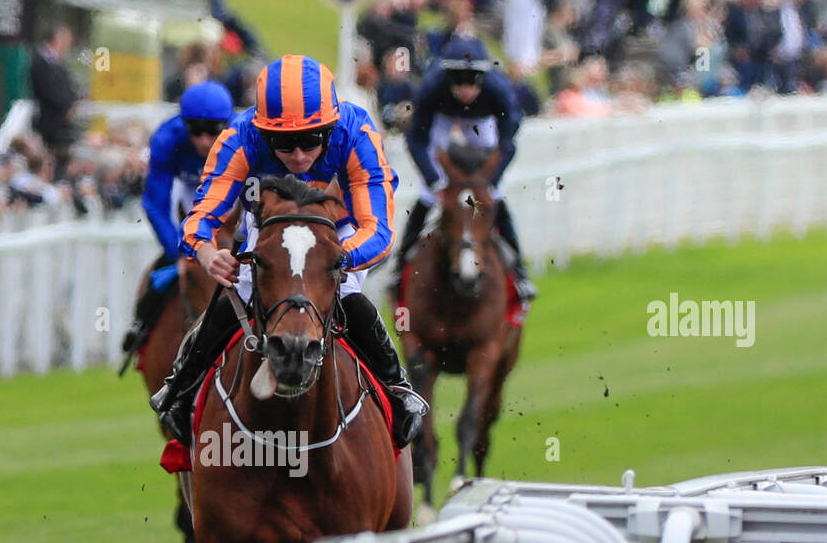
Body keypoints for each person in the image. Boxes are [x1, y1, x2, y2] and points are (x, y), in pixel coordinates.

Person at [150, 55, 428, 448]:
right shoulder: (240, 137)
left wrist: (332, 261)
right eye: (283, 143)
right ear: (264, 133)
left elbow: (378, 230)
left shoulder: (357, 133)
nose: (298, 155)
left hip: (337, 233)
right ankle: (180, 388)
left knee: (347, 294)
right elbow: (200, 219)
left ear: (330, 129)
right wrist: (209, 255)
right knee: (240, 290)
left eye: (311, 140)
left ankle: (398, 390)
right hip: (271, 230)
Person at [392, 36, 536, 302]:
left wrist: (492, 180)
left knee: (497, 197)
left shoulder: (498, 88)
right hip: (444, 124)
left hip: (483, 126)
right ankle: (400, 268)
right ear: (447, 77)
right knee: (426, 196)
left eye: (472, 81)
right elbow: (416, 139)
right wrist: (433, 179)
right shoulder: (432, 87)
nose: (465, 88)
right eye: (458, 81)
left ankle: (520, 273)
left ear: (484, 77)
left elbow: (508, 141)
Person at [119, 80, 234, 358]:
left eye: (212, 131)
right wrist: (178, 252)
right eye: (195, 130)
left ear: (227, 125)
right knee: (161, 269)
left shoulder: (242, 135)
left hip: (232, 202)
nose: (205, 140)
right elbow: (155, 203)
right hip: (189, 200)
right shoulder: (166, 139)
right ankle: (141, 325)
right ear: (184, 125)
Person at [30, 22, 81, 179]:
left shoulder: (59, 63)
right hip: (49, 122)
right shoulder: (40, 62)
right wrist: (65, 106)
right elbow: (48, 90)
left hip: (62, 123)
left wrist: (73, 102)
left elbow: (69, 88)